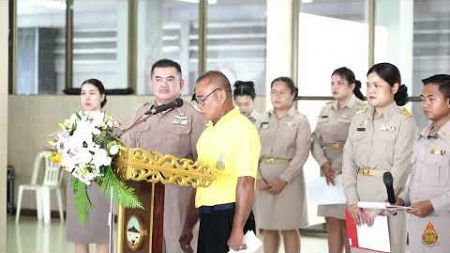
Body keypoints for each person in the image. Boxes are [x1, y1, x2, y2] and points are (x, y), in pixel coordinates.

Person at [121, 59, 205, 253]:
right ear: (151, 83)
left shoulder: (193, 116)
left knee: (176, 247)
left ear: (181, 84)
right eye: (158, 79)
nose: (163, 84)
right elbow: (127, 150)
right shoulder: (142, 113)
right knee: (144, 245)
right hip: (143, 197)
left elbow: (202, 163)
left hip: (178, 201)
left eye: (170, 79)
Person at [342, 62, 417, 253]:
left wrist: (379, 207)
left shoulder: (404, 121)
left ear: (394, 87)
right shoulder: (359, 118)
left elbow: (402, 166)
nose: (371, 91)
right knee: (360, 250)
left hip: (388, 200)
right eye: (368, 85)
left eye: (377, 85)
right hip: (359, 198)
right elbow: (348, 160)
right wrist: (352, 200)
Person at [183, 70, 260, 253]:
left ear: (220, 95)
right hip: (208, 217)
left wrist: (237, 229)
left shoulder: (243, 129)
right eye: (197, 100)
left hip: (231, 216)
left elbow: (246, 182)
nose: (200, 105)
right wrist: (188, 225)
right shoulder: (208, 132)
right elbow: (198, 181)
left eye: (203, 99)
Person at [254, 76, 311, 253]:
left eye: (282, 92)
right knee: (268, 226)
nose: (277, 96)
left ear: (292, 95)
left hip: (289, 182)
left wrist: (283, 179)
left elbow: (301, 154)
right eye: (273, 92)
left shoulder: (300, 121)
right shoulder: (262, 119)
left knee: (289, 227)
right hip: (263, 179)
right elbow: (252, 150)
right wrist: (257, 177)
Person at [311, 67, 365, 253]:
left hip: (349, 172)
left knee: (348, 221)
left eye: (340, 83)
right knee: (331, 221)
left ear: (351, 86)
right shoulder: (326, 109)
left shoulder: (362, 109)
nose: (335, 87)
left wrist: (336, 166)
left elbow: (358, 143)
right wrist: (323, 163)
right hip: (327, 173)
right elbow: (316, 140)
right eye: (332, 83)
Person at [397, 74, 450, 253]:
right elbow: (415, 176)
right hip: (418, 222)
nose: (425, 104)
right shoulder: (423, 135)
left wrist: (433, 205)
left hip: (444, 223)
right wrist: (403, 197)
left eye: (431, 99)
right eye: (422, 99)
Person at [66, 78, 109, 253]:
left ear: (102, 96)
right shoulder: (73, 123)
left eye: (92, 93)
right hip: (77, 183)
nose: (87, 98)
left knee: (101, 234)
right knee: (79, 234)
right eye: (83, 93)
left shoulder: (109, 124)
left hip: (100, 184)